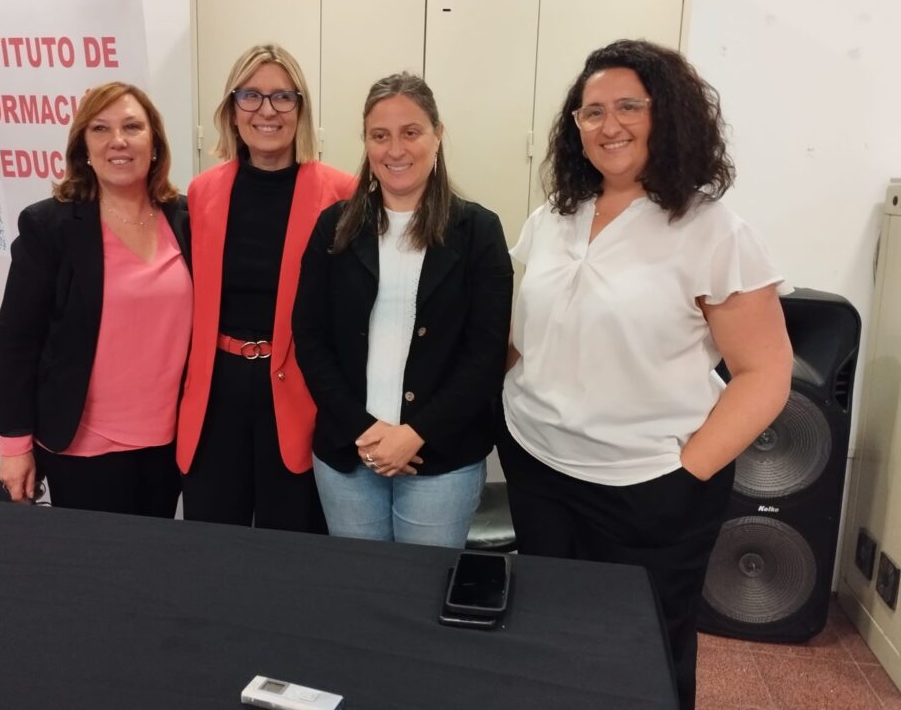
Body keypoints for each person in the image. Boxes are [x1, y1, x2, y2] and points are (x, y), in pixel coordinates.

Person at [498, 39, 793, 709]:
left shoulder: (711, 229)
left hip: (648, 489)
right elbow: (525, 340)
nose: (609, 125)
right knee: (550, 641)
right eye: (591, 111)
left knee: (644, 658)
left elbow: (765, 371)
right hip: (540, 469)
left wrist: (687, 472)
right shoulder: (553, 218)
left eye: (629, 105)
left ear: (670, 115)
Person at [293, 72, 513, 548]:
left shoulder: (478, 231)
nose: (396, 150)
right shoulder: (334, 228)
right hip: (349, 455)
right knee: (361, 592)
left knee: (422, 594)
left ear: (437, 135)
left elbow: (485, 354)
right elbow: (310, 339)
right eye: (380, 135)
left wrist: (415, 433)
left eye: (410, 132)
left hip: (441, 460)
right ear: (366, 143)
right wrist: (365, 431)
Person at [176, 44, 355, 532]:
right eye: (250, 96)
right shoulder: (202, 191)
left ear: (302, 110)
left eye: (282, 97)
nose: (266, 111)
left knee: (291, 550)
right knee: (214, 545)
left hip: (299, 391)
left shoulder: (342, 192)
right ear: (232, 111)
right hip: (216, 392)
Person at [0, 82, 191, 517]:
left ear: (154, 144)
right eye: (100, 129)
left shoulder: (186, 218)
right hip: (82, 445)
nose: (117, 140)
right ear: (83, 148)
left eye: (132, 127)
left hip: (169, 442)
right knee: (98, 578)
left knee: (157, 568)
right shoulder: (49, 226)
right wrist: (13, 446)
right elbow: (15, 343)